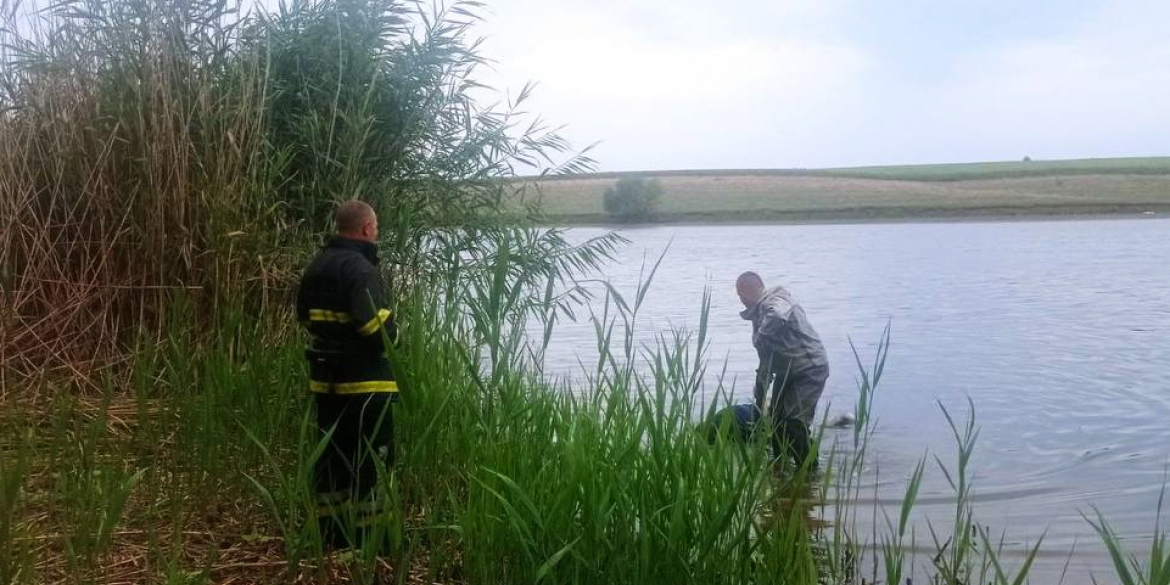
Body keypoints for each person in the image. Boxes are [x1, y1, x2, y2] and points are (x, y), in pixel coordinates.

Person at [296, 200, 399, 549]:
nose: (377, 232)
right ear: (367, 228)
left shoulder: (316, 266)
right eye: (377, 227)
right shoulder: (360, 269)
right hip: (366, 383)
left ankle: (332, 539)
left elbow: (307, 320)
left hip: (325, 382)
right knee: (372, 458)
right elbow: (376, 329)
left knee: (333, 457)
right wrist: (394, 331)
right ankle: (374, 543)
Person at [736, 271, 829, 470]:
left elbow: (779, 314)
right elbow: (765, 363)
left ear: (744, 293)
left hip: (810, 368)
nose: (740, 300)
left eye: (740, 295)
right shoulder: (758, 315)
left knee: (795, 420)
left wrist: (762, 335)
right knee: (776, 421)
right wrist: (760, 396)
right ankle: (779, 466)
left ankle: (809, 471)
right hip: (787, 371)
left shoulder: (776, 299)